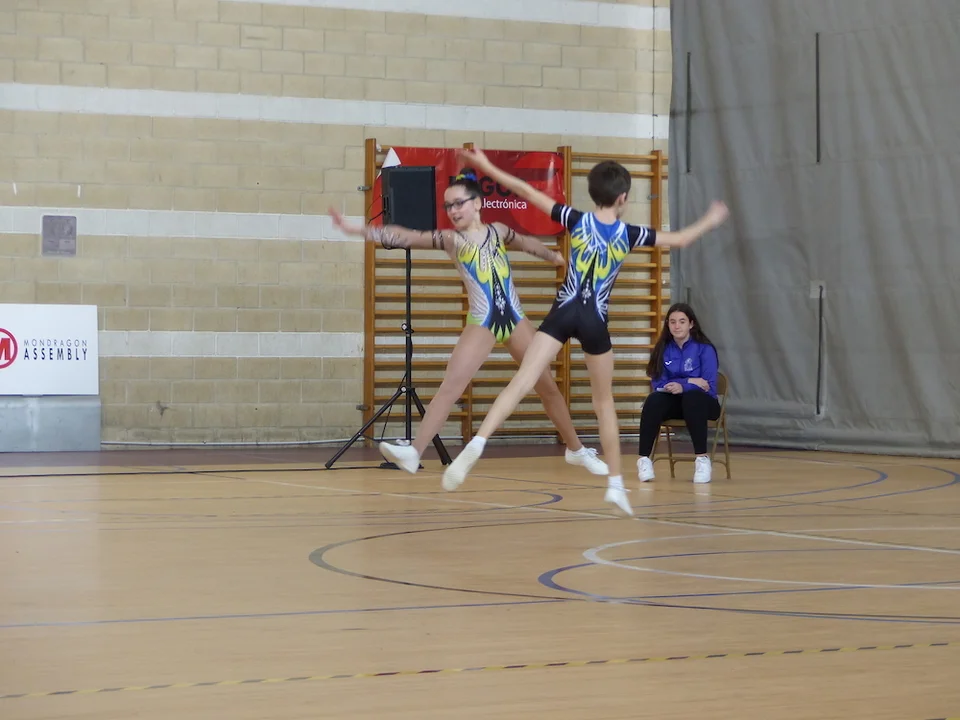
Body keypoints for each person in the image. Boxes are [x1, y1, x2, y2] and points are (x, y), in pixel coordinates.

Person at [441, 148, 729, 515]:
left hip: (563, 311)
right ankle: (615, 484)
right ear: (623, 198)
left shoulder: (575, 219)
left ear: (592, 194)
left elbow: (524, 191)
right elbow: (682, 239)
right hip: (594, 319)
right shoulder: (631, 233)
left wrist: (484, 165)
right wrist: (710, 219)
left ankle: (477, 443)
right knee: (603, 402)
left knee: (523, 381)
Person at [328, 169, 608, 477]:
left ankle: (576, 449)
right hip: (483, 321)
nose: (453, 210)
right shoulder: (452, 239)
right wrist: (358, 229)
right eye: (448, 206)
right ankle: (414, 451)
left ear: (477, 203)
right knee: (451, 387)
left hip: (515, 319)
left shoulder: (499, 231)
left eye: (458, 203)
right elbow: (409, 236)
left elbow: (526, 243)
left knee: (548, 388)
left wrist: (552, 257)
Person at [637, 303, 721, 484]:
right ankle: (644, 460)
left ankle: (702, 459)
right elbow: (658, 383)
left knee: (693, 397)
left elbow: (708, 386)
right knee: (653, 400)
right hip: (676, 402)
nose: (677, 326)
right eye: (673, 322)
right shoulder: (663, 348)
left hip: (704, 403)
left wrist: (684, 386)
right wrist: (690, 381)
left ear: (691, 324)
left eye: (682, 322)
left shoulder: (705, 349)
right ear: (668, 324)